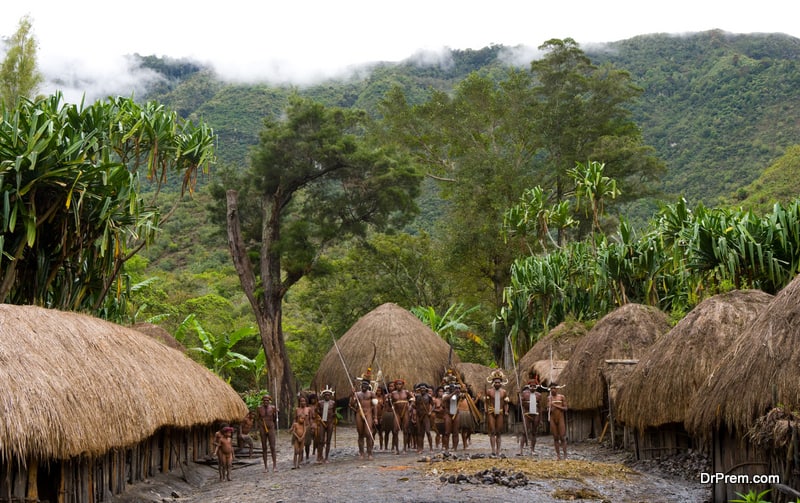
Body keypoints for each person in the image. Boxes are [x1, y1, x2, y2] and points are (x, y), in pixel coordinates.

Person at [350, 374, 378, 460]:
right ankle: (361, 453)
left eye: (365, 385)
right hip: (359, 413)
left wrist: (375, 417)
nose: (364, 386)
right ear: (361, 385)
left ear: (368, 386)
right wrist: (352, 394)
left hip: (368, 413)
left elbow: (375, 406)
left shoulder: (372, 394)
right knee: (360, 434)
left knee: (368, 434)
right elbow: (351, 404)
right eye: (362, 385)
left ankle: (370, 453)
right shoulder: (357, 394)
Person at [484, 369, 509, 457]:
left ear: (501, 382)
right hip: (491, 411)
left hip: (500, 412)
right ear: (493, 382)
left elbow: (506, 403)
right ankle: (493, 450)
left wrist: (506, 411)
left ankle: (498, 450)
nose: (497, 384)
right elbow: (486, 402)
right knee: (492, 431)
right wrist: (486, 409)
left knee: (499, 432)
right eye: (496, 382)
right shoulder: (489, 391)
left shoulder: (504, 392)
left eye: (499, 382)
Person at [518, 380, 542, 456]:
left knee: (534, 433)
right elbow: (519, 403)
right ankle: (521, 450)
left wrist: (540, 419)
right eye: (531, 386)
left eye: (534, 386)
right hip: (527, 414)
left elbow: (540, 407)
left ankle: (532, 450)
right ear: (528, 387)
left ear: (536, 387)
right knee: (524, 432)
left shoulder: (539, 395)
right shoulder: (524, 394)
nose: (532, 387)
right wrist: (517, 395)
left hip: (536, 414)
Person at [257, 394, 278, 472]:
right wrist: (260, 427)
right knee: (264, 447)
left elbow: (275, 418)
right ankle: (266, 467)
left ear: (269, 401)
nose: (266, 401)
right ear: (262, 401)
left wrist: (276, 413)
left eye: (267, 400)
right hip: (263, 427)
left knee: (272, 447)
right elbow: (258, 418)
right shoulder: (259, 408)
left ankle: (274, 466)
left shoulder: (272, 408)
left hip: (271, 427)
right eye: (264, 400)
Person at [315, 386, 337, 463]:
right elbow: (317, 412)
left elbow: (334, 412)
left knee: (328, 441)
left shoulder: (333, 403)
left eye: (328, 395)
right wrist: (318, 417)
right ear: (323, 396)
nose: (327, 396)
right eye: (326, 395)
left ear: (330, 396)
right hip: (322, 422)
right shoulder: (320, 403)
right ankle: (320, 456)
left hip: (330, 423)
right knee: (320, 440)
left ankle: (326, 457)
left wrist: (335, 416)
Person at [391, 379, 413, 452]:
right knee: (395, 430)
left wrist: (410, 406)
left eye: (400, 384)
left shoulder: (406, 392)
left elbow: (412, 399)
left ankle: (404, 448)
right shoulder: (393, 393)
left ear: (403, 385)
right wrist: (388, 400)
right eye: (397, 384)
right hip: (397, 412)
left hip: (405, 411)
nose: (398, 385)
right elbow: (389, 403)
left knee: (405, 430)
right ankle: (396, 448)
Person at [548, 384, 568, 460]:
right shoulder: (549, 398)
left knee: (562, 437)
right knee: (555, 437)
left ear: (557, 389)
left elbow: (565, 408)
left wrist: (556, 405)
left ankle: (565, 455)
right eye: (551, 388)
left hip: (560, 418)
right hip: (553, 419)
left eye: (554, 388)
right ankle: (558, 456)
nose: (553, 390)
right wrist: (550, 408)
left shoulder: (561, 397)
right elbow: (548, 410)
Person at [414, 384, 434, 453]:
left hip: (426, 415)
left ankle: (431, 448)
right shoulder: (417, 397)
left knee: (428, 431)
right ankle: (420, 448)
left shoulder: (429, 396)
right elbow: (415, 405)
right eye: (421, 389)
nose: (422, 390)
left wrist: (430, 411)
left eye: (423, 389)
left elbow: (433, 405)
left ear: (426, 390)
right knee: (419, 432)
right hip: (419, 415)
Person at [294, 394, 312, 463]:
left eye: (304, 401)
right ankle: (300, 456)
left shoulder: (308, 409)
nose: (303, 402)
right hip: (298, 427)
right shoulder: (297, 410)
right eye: (301, 401)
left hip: (307, 427)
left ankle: (307, 456)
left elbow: (310, 419)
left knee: (307, 443)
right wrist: (293, 426)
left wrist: (312, 426)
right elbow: (295, 419)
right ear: (299, 402)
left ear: (306, 402)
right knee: (299, 443)